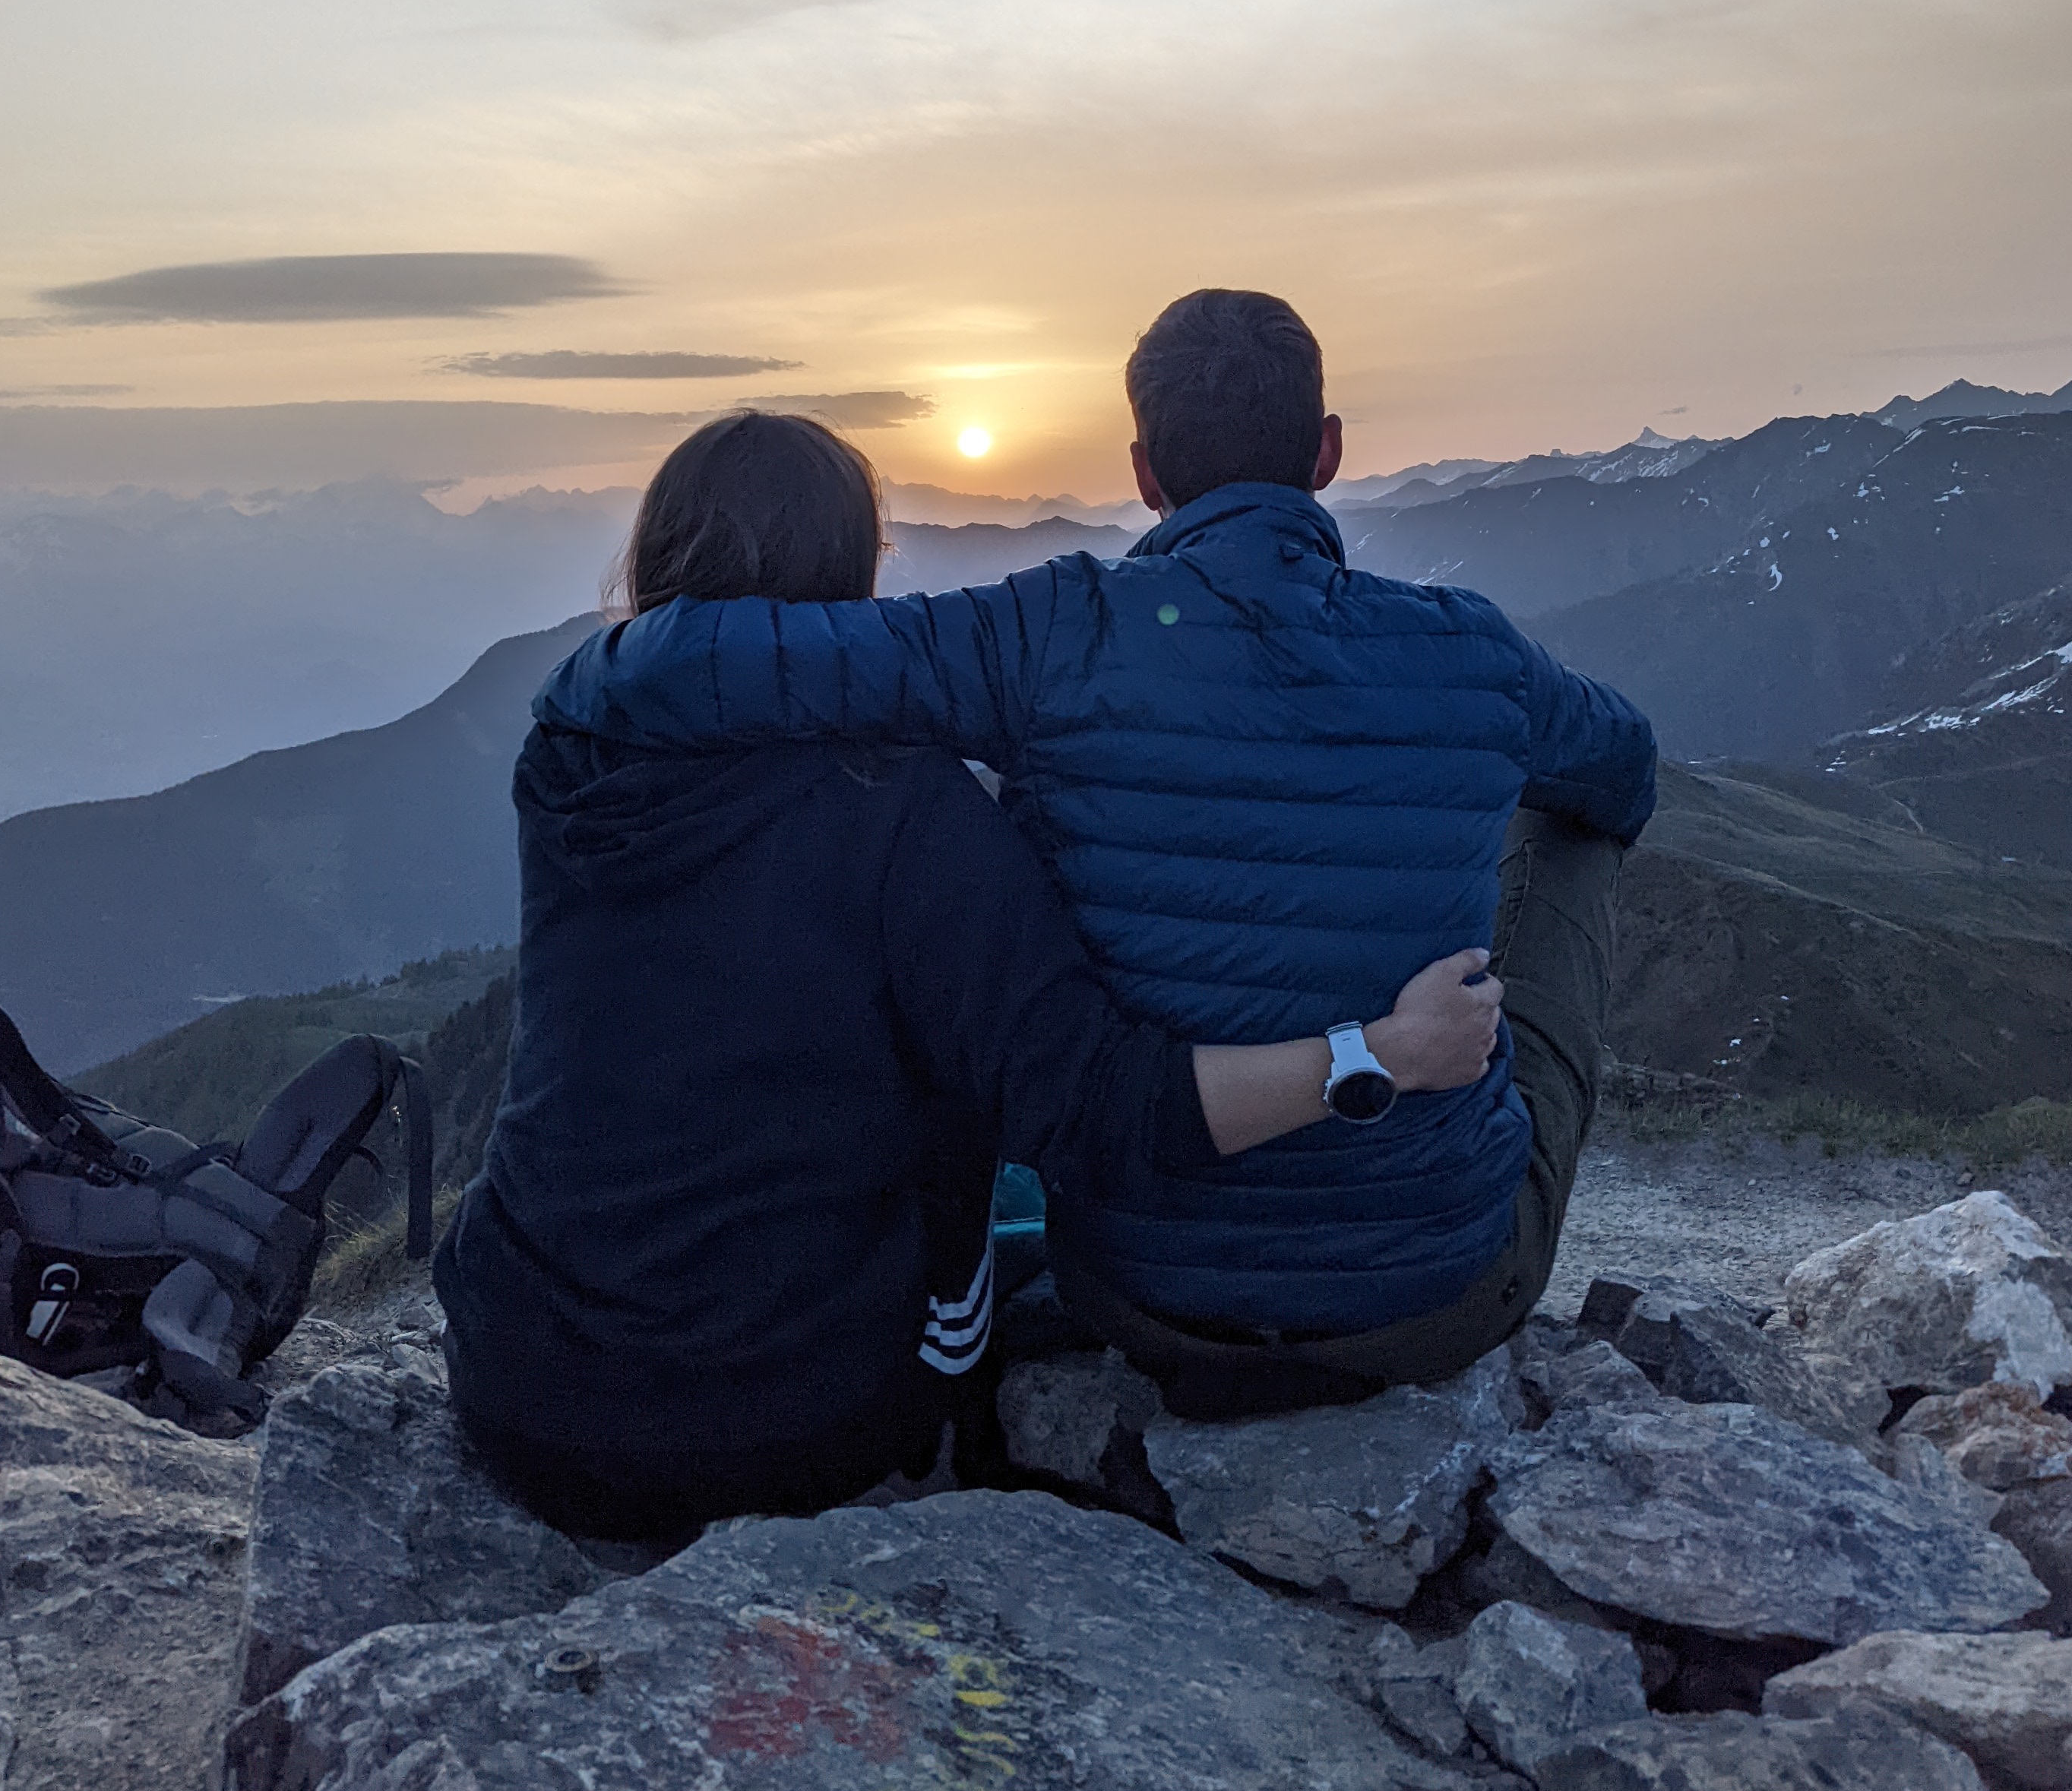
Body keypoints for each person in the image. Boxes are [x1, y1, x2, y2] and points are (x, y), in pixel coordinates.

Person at [536, 292, 1657, 1420]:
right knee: (1569, 834)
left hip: (1139, 1288)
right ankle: (1439, 1114)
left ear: (1143, 471)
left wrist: (607, 661)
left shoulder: (1043, 636)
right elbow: (1626, 775)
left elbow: (717, 660)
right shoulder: (1474, 650)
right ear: (1326, 452)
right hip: (1435, 1293)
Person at [435, 409, 1504, 1538]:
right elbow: (1102, 1108)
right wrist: (1380, 1053)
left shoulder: (569, 756)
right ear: (853, 574)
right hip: (772, 1426)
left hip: (519, 1385)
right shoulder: (898, 805)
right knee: (1002, 1183)